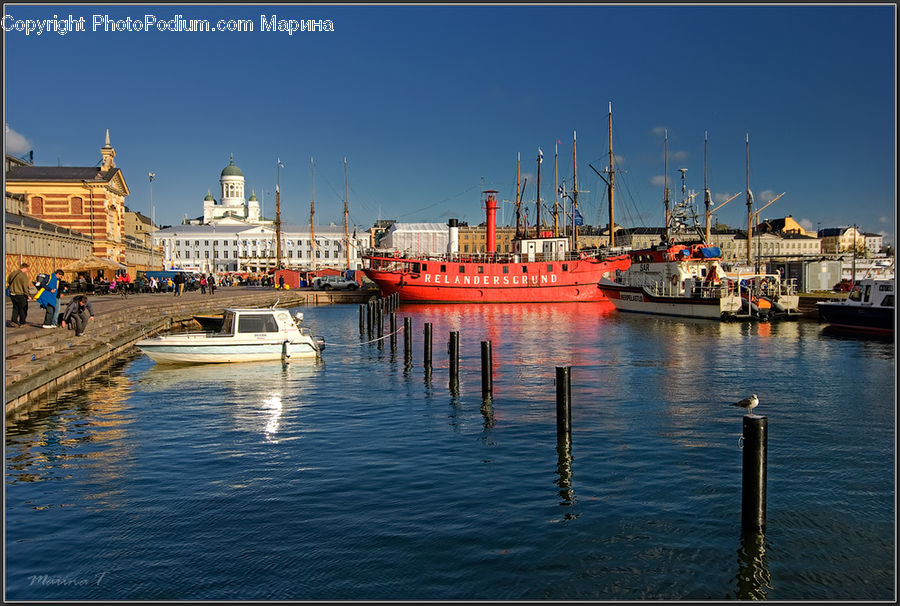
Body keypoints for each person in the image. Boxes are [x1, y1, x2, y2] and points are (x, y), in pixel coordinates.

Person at [6, 262, 31, 327]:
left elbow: (8, 280)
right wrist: (28, 295)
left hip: (12, 294)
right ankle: (22, 322)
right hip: (20, 294)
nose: (27, 270)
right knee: (23, 309)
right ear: (24, 268)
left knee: (15, 308)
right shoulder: (23, 275)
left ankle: (13, 322)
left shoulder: (13, 273)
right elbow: (25, 286)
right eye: (27, 269)